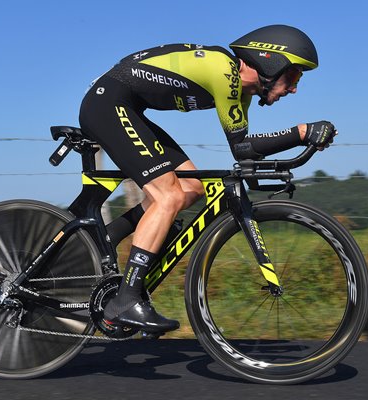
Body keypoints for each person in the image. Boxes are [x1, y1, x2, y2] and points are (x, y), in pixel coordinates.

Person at [78, 24, 336, 334]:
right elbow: (246, 150)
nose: (293, 88)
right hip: (108, 105)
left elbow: (244, 153)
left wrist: (295, 146)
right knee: (168, 196)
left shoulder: (239, 93)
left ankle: (105, 237)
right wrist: (301, 133)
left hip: (125, 107)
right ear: (270, 61)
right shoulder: (223, 71)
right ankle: (126, 300)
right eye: (293, 77)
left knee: (190, 187)